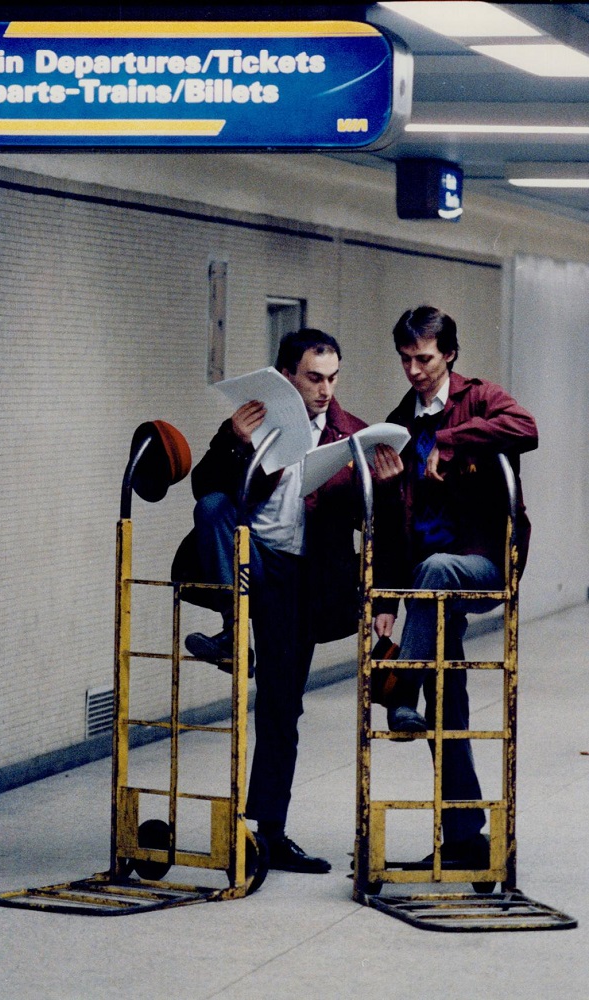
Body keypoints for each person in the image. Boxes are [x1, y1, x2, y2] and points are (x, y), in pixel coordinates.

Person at [177, 329, 400, 873]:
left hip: (305, 576)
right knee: (211, 506)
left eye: (332, 377)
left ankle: (270, 832)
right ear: (286, 378)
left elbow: (384, 525)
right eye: (313, 378)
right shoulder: (256, 420)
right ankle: (234, 629)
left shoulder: (353, 435)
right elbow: (204, 486)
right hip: (253, 558)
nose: (325, 389)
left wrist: (388, 486)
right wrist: (233, 440)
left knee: (282, 705)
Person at [372, 305, 538, 867]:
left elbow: (526, 428)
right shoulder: (399, 421)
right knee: (450, 707)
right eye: (405, 359)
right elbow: (397, 529)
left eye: (424, 358)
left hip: (480, 566)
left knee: (440, 567)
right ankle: (466, 839)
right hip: (425, 587)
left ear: (449, 356)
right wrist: (392, 600)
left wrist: (452, 439)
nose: (414, 370)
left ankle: (400, 694)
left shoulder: (480, 397)